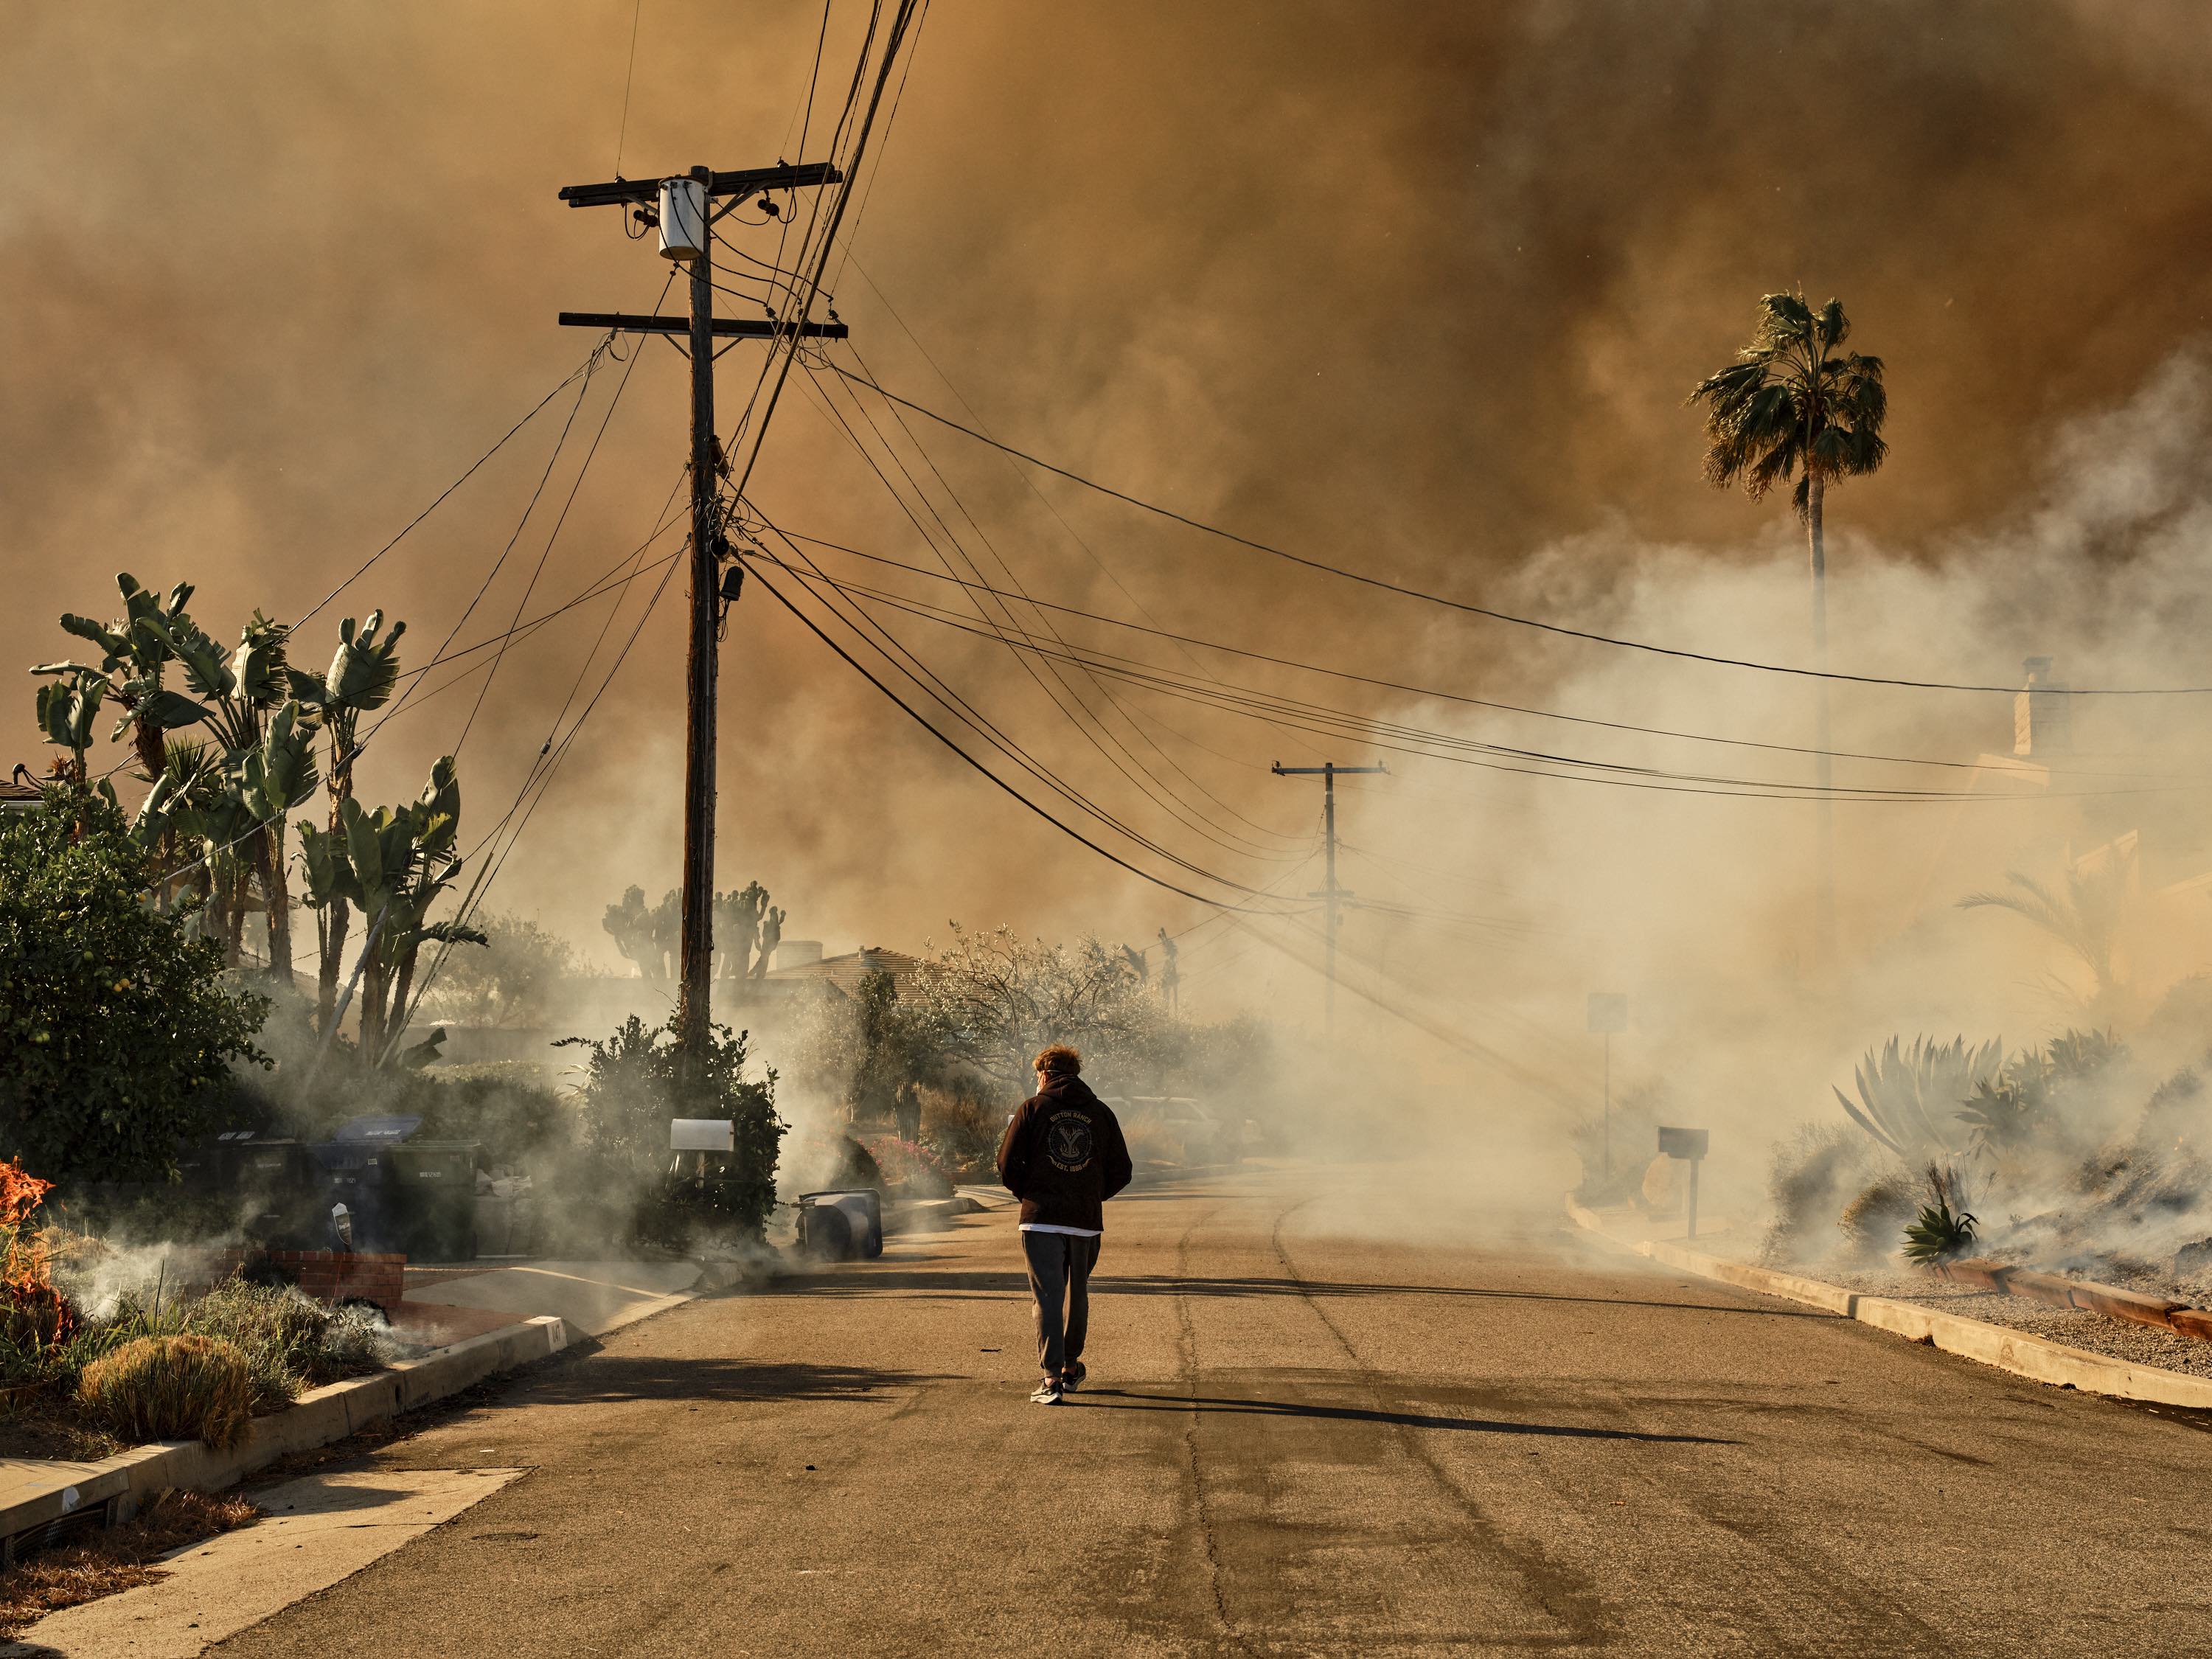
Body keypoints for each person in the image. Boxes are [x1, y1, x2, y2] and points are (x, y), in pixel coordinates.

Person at [995, 1043, 1133, 1405]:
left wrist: (1030, 1194)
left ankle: (1051, 1378)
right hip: (1084, 1221)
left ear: (1044, 1073)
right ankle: (1071, 1369)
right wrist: (1089, 1196)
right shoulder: (1101, 1113)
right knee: (1078, 1294)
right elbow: (1123, 1171)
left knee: (1048, 1296)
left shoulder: (1032, 1108)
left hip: (1040, 1221)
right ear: (1076, 1074)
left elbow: (1007, 1163)